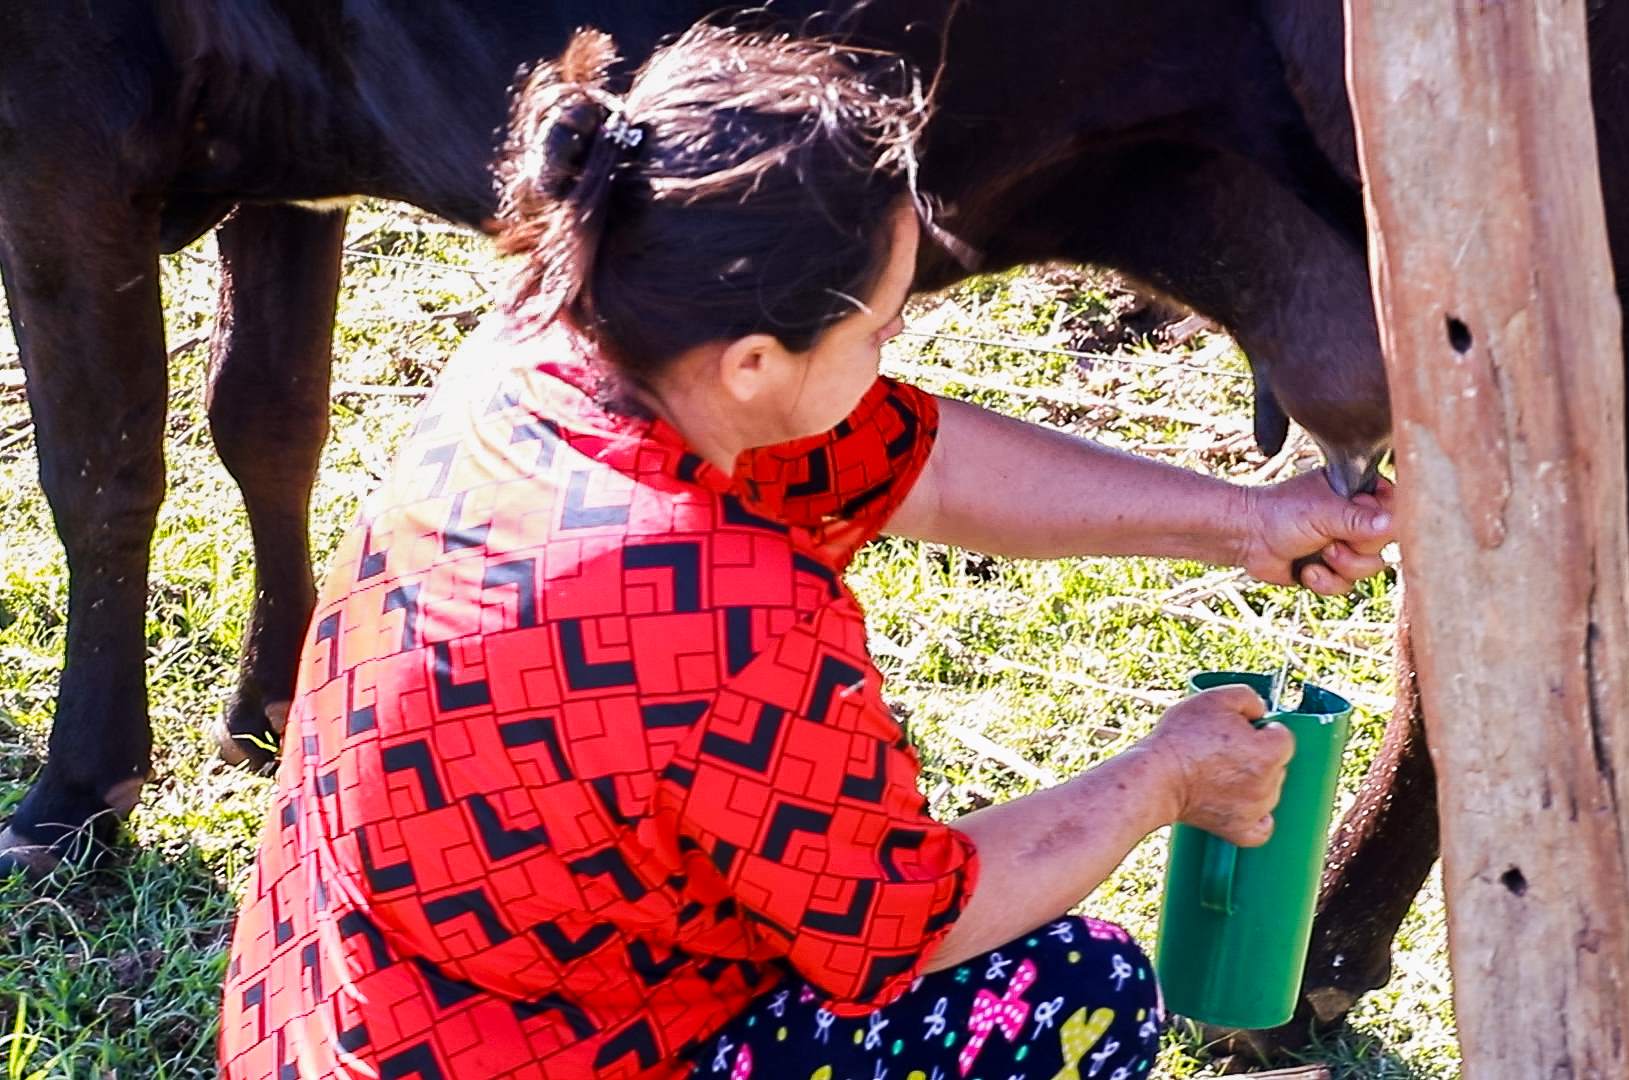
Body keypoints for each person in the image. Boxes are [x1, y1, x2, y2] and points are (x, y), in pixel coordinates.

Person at [217, 24, 1395, 1080]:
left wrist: (1245, 522)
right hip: (543, 1050)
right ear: (756, 364)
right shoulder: (724, 610)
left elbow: (915, 464)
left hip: (337, 1016)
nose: (889, 358)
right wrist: (1164, 779)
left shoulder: (560, 346)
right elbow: (907, 927)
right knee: (1077, 994)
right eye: (879, 328)